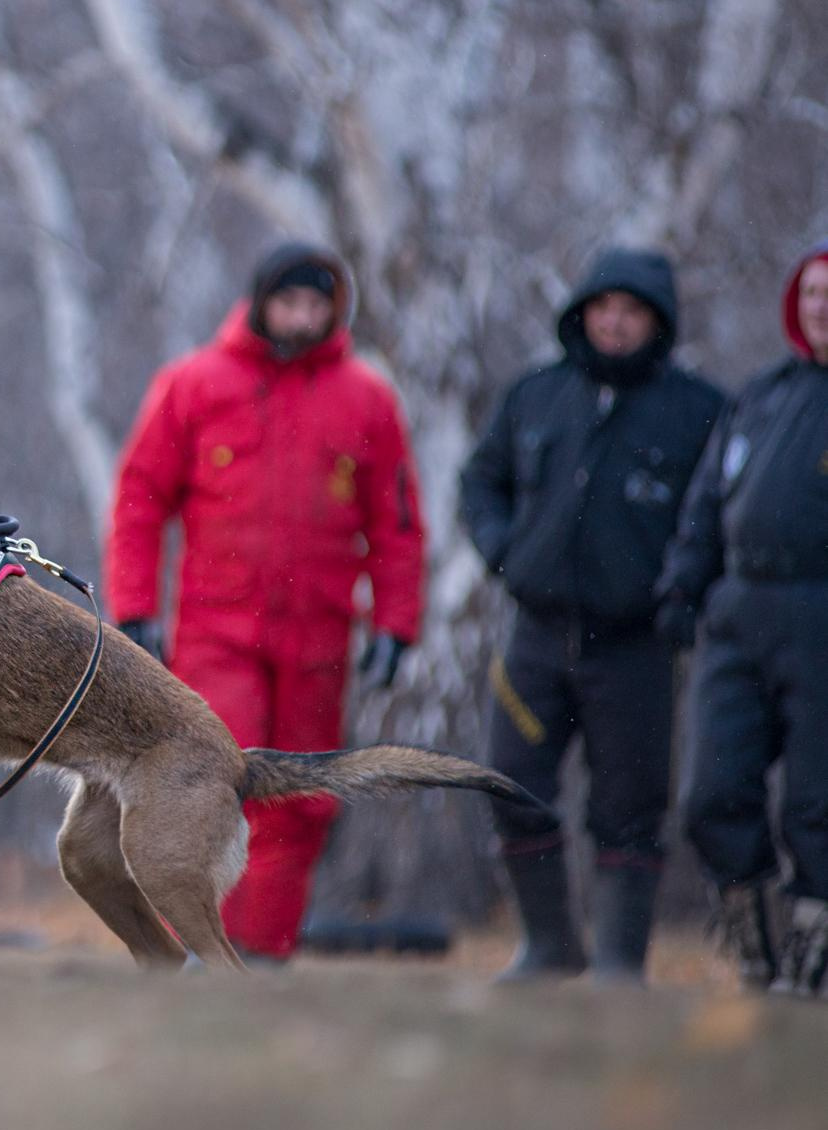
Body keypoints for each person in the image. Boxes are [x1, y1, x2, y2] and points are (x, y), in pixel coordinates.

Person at [105, 241, 425, 963]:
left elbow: (397, 523)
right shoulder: (193, 384)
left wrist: (398, 622)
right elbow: (139, 500)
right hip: (217, 633)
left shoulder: (367, 397)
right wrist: (134, 608)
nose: (302, 317)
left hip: (320, 637)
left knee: (301, 797)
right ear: (260, 302)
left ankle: (266, 954)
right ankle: (197, 949)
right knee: (210, 785)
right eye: (290, 302)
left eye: (317, 305)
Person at [458, 250, 723, 984]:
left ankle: (617, 962)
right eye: (603, 306)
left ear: (657, 323)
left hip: (636, 645)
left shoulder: (699, 409)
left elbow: (718, 517)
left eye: (632, 310)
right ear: (581, 312)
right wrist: (502, 549)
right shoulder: (536, 395)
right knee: (508, 779)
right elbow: (480, 478)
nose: (614, 321)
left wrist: (684, 591)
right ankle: (549, 946)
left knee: (630, 803)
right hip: (534, 637)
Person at [657, 239, 828, 996]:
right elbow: (705, 504)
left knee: (817, 803)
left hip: (819, 612)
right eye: (815, 293)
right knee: (711, 793)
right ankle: (756, 944)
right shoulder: (758, 395)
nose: (824, 306)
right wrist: (682, 585)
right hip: (737, 609)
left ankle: (814, 956)